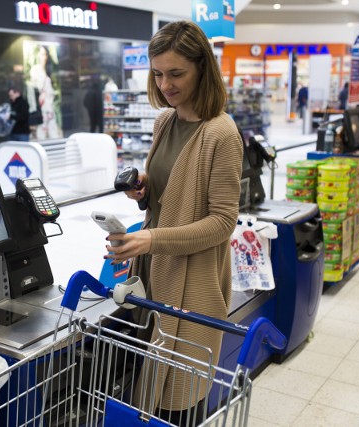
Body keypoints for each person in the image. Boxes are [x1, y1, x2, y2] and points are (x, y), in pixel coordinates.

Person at [102, 20, 242, 424]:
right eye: (158, 73)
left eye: (176, 73)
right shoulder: (166, 121)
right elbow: (170, 194)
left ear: (203, 68)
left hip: (194, 281)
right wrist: (146, 188)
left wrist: (149, 240)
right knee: (146, 386)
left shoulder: (222, 133)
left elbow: (221, 222)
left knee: (177, 398)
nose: (165, 84)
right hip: (156, 274)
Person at [29, 45, 62, 139]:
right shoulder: (35, 70)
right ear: (38, 55)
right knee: (41, 133)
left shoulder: (49, 70)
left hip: (50, 107)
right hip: (41, 108)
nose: (44, 57)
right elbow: (33, 89)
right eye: (42, 54)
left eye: (46, 54)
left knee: (53, 132)